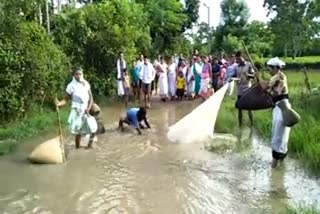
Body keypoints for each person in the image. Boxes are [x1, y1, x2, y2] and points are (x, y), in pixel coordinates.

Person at [55, 67, 97, 149]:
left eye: (80, 74)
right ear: (73, 75)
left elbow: (91, 98)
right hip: (77, 110)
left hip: (86, 109)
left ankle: (90, 144)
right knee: (78, 132)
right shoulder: (71, 86)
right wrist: (59, 103)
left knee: (93, 128)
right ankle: (77, 148)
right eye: (76, 74)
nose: (78, 76)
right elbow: (66, 99)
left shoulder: (86, 83)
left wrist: (88, 109)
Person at [261, 57, 290, 168]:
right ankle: (280, 163)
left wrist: (265, 87)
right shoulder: (276, 76)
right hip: (279, 106)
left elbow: (271, 90)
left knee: (278, 135)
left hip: (282, 106)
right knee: (280, 134)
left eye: (270, 68)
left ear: (275, 68)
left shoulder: (279, 77)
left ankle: (274, 164)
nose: (269, 70)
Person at [233, 51, 255, 128]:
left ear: (242, 57)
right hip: (239, 89)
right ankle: (240, 125)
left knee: (249, 108)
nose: (238, 60)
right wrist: (234, 79)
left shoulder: (249, 65)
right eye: (237, 59)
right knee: (240, 107)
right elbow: (234, 76)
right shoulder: (236, 67)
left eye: (239, 58)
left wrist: (248, 75)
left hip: (247, 89)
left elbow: (253, 76)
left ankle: (252, 124)